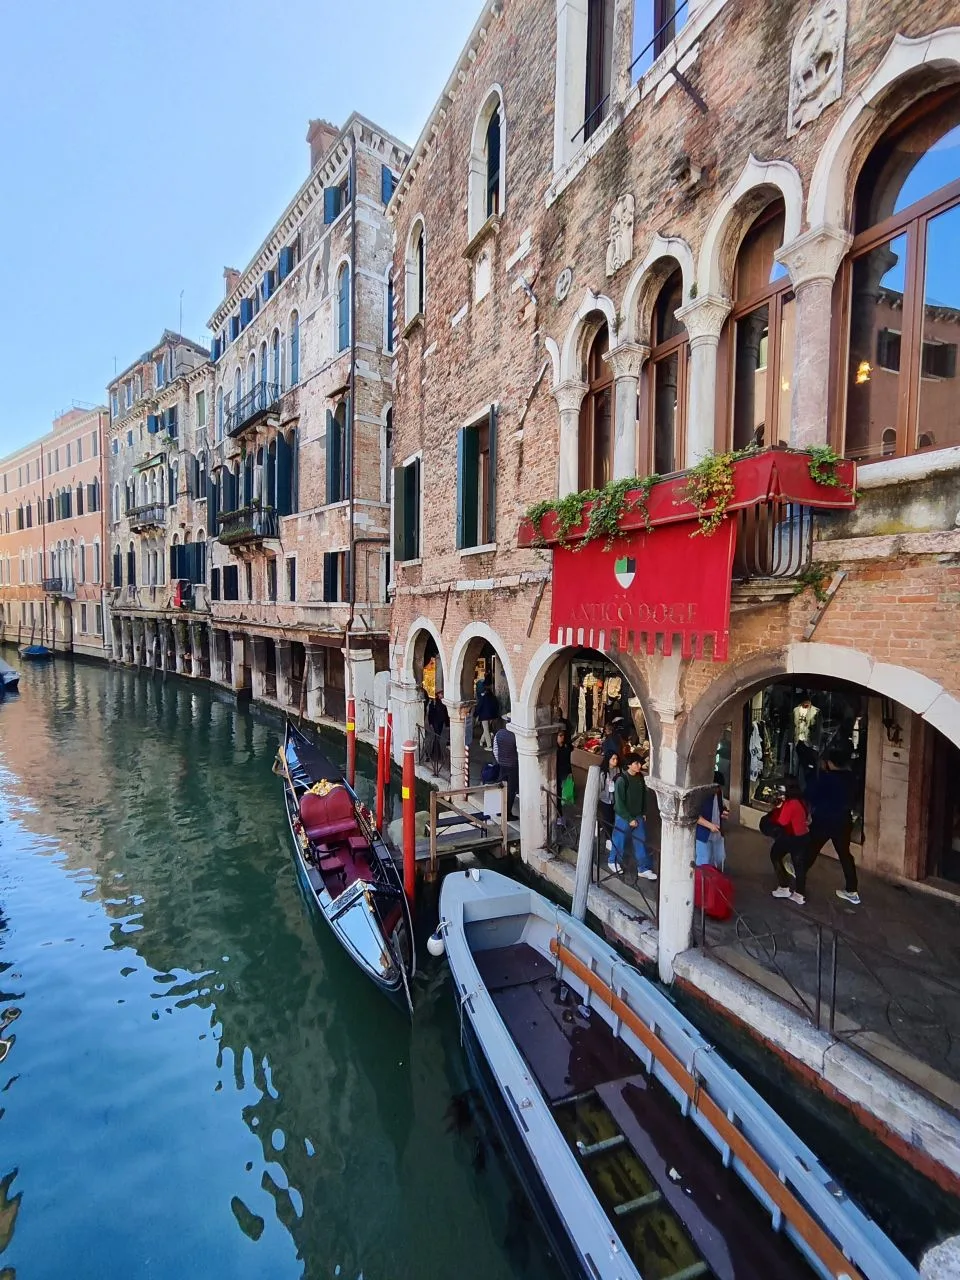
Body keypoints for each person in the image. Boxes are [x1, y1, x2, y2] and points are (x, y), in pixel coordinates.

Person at [805, 748, 860, 904]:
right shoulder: (851, 778)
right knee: (845, 854)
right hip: (844, 820)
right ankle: (852, 889)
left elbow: (810, 794)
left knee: (812, 846)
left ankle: (799, 876)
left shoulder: (825, 779)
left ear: (829, 762)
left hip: (824, 819)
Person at [609, 754, 656, 880]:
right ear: (629, 765)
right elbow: (619, 803)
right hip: (624, 816)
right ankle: (612, 861)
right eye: (636, 763)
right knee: (620, 840)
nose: (639, 766)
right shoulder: (622, 780)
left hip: (638, 815)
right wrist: (629, 818)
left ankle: (643, 868)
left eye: (640, 763)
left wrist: (644, 812)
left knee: (641, 841)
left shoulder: (640, 778)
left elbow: (643, 797)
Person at [768, 777, 810, 905]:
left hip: (791, 837)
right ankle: (800, 894)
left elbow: (782, 821)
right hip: (803, 836)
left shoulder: (790, 804)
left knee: (775, 855)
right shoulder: (801, 801)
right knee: (799, 866)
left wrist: (777, 808)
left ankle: (784, 887)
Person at [696, 772, 728, 868]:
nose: (719, 789)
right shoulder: (701, 796)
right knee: (704, 860)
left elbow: (720, 808)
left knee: (720, 857)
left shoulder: (718, 794)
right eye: (717, 787)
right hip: (703, 834)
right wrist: (710, 826)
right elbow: (695, 816)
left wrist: (724, 813)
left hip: (717, 832)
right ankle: (701, 881)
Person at [493, 717, 520, 818]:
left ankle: (499, 810)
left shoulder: (499, 733)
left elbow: (495, 750)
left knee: (502, 787)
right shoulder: (516, 736)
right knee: (511, 790)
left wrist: (500, 761)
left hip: (502, 765)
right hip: (513, 766)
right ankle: (507, 813)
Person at [599, 750, 621, 840]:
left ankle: (601, 826)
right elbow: (600, 787)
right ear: (608, 759)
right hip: (605, 799)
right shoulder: (603, 772)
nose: (615, 761)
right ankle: (608, 838)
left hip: (614, 798)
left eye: (616, 759)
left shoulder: (618, 770)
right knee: (608, 819)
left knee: (611, 818)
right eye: (613, 759)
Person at [476, 682, 499, 750]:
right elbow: (497, 706)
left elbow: (479, 706)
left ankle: (489, 746)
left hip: (484, 716)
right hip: (492, 716)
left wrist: (475, 714)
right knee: (486, 729)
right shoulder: (494, 697)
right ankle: (481, 741)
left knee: (486, 730)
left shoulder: (483, 698)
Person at [556, 728, 573, 813]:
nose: (562, 738)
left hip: (566, 772)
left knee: (567, 793)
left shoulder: (567, 746)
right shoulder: (555, 749)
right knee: (558, 793)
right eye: (560, 736)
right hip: (557, 774)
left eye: (563, 736)